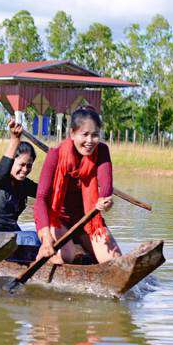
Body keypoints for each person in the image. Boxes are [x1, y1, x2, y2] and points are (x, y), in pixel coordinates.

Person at [34, 106, 121, 264]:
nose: (90, 141)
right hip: (56, 219)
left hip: (87, 219)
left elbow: (106, 186)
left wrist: (105, 202)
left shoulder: (101, 150)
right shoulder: (55, 155)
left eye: (95, 135)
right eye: (85, 134)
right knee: (66, 257)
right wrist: (46, 238)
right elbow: (40, 199)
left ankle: (80, 245)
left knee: (114, 260)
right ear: (72, 133)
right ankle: (47, 250)